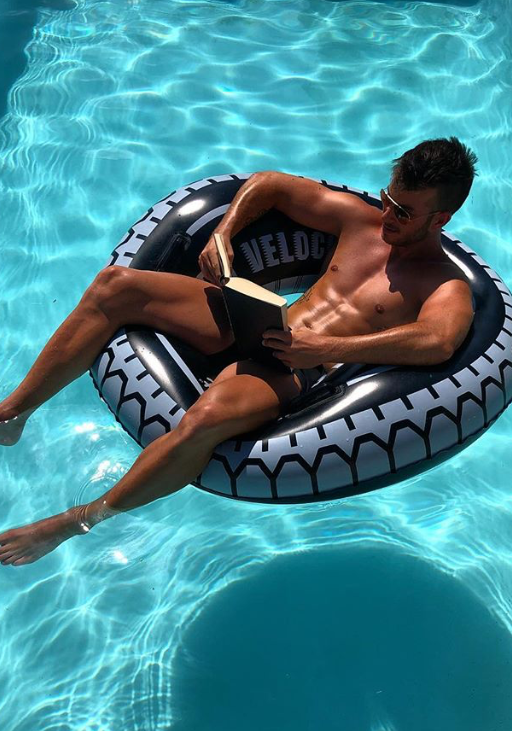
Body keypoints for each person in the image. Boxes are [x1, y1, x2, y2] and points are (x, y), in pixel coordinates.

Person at [0, 137, 477, 566]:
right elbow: (271, 184)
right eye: (389, 198)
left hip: (295, 367)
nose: (388, 215)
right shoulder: (361, 221)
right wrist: (224, 232)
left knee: (204, 421)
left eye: (404, 213)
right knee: (114, 286)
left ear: (441, 219)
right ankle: (12, 414)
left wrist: (325, 347)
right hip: (259, 322)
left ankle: (75, 521)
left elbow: (438, 342)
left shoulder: (444, 284)